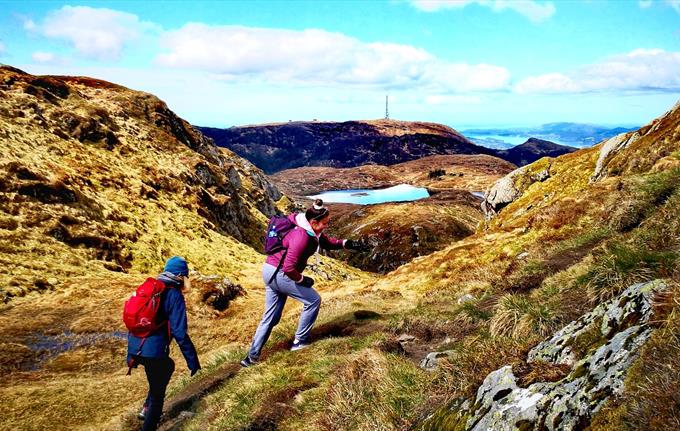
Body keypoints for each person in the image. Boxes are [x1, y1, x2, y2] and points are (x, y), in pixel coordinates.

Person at [241, 199, 368, 367]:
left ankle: (251, 358)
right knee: (313, 300)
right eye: (324, 223)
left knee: (271, 317)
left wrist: (346, 244)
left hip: (269, 270)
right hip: (280, 273)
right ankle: (300, 342)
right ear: (313, 222)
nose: (326, 226)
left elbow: (325, 241)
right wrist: (302, 280)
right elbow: (288, 268)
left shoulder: (308, 228)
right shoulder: (301, 236)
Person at [127, 256, 201, 431]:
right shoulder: (174, 295)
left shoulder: (150, 288)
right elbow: (180, 333)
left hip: (135, 347)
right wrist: (193, 361)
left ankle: (146, 406)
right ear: (181, 276)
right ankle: (149, 420)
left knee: (164, 369)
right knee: (159, 392)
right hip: (153, 352)